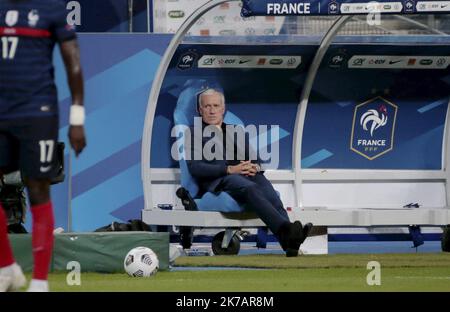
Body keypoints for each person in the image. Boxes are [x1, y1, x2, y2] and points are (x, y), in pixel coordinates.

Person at [0, 0, 86, 292]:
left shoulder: (51, 8)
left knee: (37, 188)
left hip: (37, 113)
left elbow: (72, 62)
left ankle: (39, 281)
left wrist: (77, 118)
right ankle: (8, 268)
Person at [187, 88, 312, 257]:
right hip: (221, 179)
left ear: (223, 109)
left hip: (244, 173)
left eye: (216, 105)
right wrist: (229, 169)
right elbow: (195, 168)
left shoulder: (235, 131)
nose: (212, 110)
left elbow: (255, 159)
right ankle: (286, 231)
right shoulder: (193, 133)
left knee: (270, 192)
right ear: (200, 110)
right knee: (250, 188)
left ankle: (289, 241)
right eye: (207, 106)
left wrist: (254, 167)